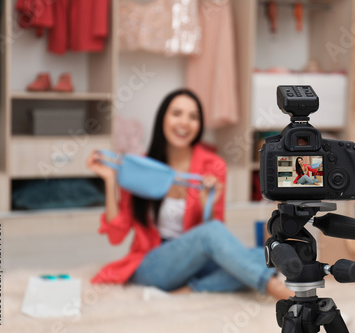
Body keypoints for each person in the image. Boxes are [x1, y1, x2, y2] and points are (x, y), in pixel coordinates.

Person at [86, 88, 291, 299]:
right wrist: (110, 182)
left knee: (265, 256)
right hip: (154, 264)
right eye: (176, 114)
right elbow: (115, 236)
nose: (184, 123)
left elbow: (216, 231)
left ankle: (186, 291)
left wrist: (205, 205)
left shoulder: (213, 166)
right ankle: (277, 290)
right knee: (222, 243)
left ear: (199, 124)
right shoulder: (142, 168)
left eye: (193, 117)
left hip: (197, 262)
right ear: (162, 118)